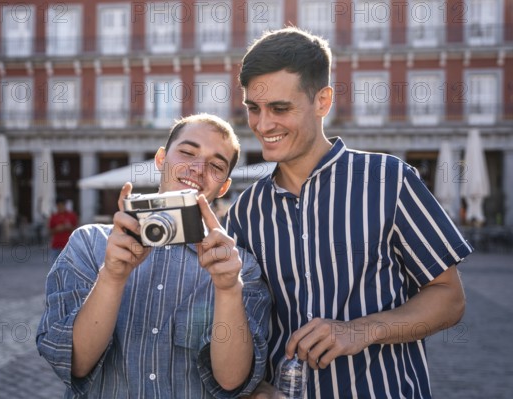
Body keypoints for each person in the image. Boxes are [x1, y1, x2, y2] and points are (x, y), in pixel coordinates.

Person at [226, 27, 474, 398]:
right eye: (253, 109)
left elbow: (449, 299)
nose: (263, 125)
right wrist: (255, 386)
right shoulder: (245, 211)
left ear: (323, 101)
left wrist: (359, 330)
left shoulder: (390, 180)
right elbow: (245, 323)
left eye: (280, 108)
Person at [36, 114, 272, 398]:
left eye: (216, 165)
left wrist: (228, 290)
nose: (198, 168)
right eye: (187, 152)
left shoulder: (239, 268)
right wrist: (111, 277)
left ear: (223, 186)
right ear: (161, 159)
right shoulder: (89, 243)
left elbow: (232, 380)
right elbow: (75, 363)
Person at [49, 197, 78, 263]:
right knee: (55, 269)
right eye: (59, 205)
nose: (60, 207)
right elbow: (49, 231)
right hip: (56, 246)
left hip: (68, 246)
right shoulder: (53, 216)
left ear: (65, 205)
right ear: (56, 206)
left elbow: (77, 230)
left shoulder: (72, 215)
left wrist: (69, 227)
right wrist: (56, 229)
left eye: (62, 205)